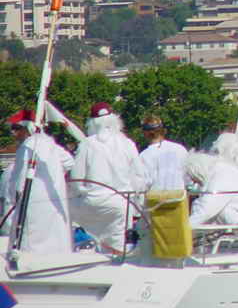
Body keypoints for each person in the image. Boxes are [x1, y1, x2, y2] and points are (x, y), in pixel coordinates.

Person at [68, 102, 146, 253]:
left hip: (92, 203)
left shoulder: (87, 144)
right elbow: (139, 177)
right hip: (120, 203)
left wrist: (84, 192)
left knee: (86, 245)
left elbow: (76, 179)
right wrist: (134, 199)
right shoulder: (127, 144)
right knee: (117, 250)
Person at [6, 109, 74, 254]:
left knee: (30, 243)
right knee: (55, 240)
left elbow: (18, 182)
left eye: (16, 128)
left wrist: (13, 198)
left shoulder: (27, 147)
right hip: (55, 201)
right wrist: (55, 178)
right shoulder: (51, 144)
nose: (13, 133)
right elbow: (69, 162)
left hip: (33, 203)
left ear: (28, 128)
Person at [186, 131, 238, 225]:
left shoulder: (222, 174)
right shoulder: (226, 170)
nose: (195, 183)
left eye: (195, 180)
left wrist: (184, 228)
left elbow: (207, 208)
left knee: (217, 208)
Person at [139, 115, 188, 191]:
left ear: (145, 133)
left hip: (156, 197)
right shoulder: (180, 149)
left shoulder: (144, 155)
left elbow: (144, 183)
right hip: (179, 196)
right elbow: (188, 179)